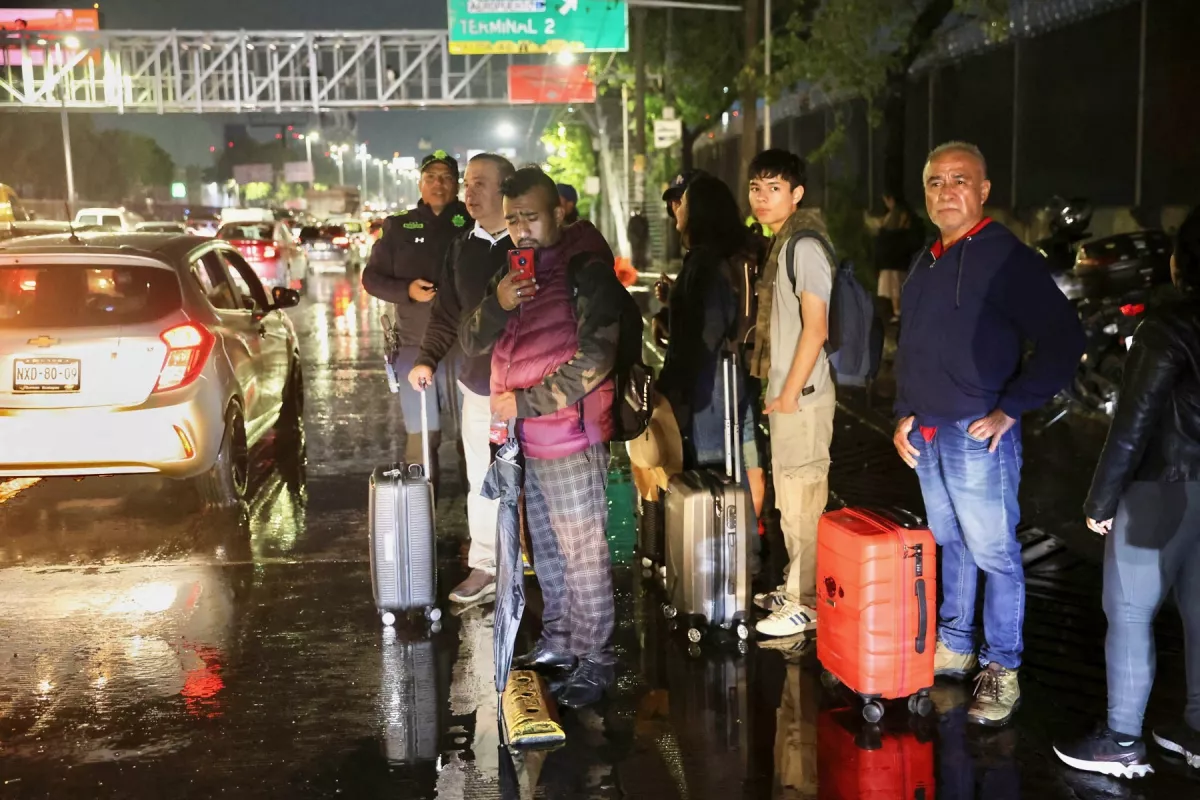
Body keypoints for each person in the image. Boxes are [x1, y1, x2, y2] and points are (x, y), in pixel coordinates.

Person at [893, 141, 1085, 727]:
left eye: (959, 180)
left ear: (983, 191)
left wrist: (1011, 409)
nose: (945, 190)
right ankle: (955, 644)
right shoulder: (926, 258)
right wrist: (902, 413)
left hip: (979, 434)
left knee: (995, 553)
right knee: (951, 543)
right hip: (927, 432)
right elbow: (913, 346)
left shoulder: (1007, 257)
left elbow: (1064, 338)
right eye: (934, 181)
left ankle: (1002, 666)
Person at [460, 167, 626, 709]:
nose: (522, 230)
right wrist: (500, 303)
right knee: (545, 549)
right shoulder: (513, 272)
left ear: (558, 211)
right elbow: (469, 338)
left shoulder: (586, 268)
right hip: (524, 440)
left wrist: (526, 402)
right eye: (512, 220)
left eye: (532, 217)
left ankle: (596, 656)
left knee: (583, 551)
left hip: (571, 435)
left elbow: (597, 358)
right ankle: (559, 641)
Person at [1053, 206, 1200, 777]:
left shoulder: (1167, 327)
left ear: (1177, 264)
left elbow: (1133, 423)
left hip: (1161, 489)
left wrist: (1101, 501)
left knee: (1131, 611)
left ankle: (1120, 740)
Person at [409, 153, 517, 605]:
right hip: (478, 386)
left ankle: (537, 567)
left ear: (506, 189)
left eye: (479, 184)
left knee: (538, 481)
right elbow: (446, 314)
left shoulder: (530, 244)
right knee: (483, 480)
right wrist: (427, 358)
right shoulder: (461, 246)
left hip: (531, 390)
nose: (468, 193)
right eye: (467, 184)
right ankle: (486, 566)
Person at [746, 149, 836, 640]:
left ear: (797, 193)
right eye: (756, 188)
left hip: (801, 395)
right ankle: (795, 585)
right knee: (791, 497)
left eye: (774, 188)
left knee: (803, 499)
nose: (762, 197)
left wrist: (789, 392)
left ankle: (806, 601)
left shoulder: (803, 246)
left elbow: (816, 328)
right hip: (789, 394)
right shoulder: (783, 242)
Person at [362, 150, 471, 494]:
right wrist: (406, 290)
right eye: (431, 177)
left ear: (457, 185)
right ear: (420, 183)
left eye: (446, 177)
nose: (438, 184)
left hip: (468, 348)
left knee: (475, 434)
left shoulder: (474, 222)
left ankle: (483, 525)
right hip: (415, 346)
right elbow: (371, 278)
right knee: (422, 436)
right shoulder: (398, 226)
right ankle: (422, 522)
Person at [656, 174, 753, 473]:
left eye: (682, 202)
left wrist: (668, 392)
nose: (676, 208)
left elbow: (702, 337)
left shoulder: (705, 264)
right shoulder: (721, 257)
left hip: (708, 398)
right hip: (731, 386)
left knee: (710, 485)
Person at [866, 193, 924, 320]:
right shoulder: (905, 235)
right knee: (897, 304)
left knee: (888, 304)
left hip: (889, 272)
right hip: (899, 270)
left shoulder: (885, 236)